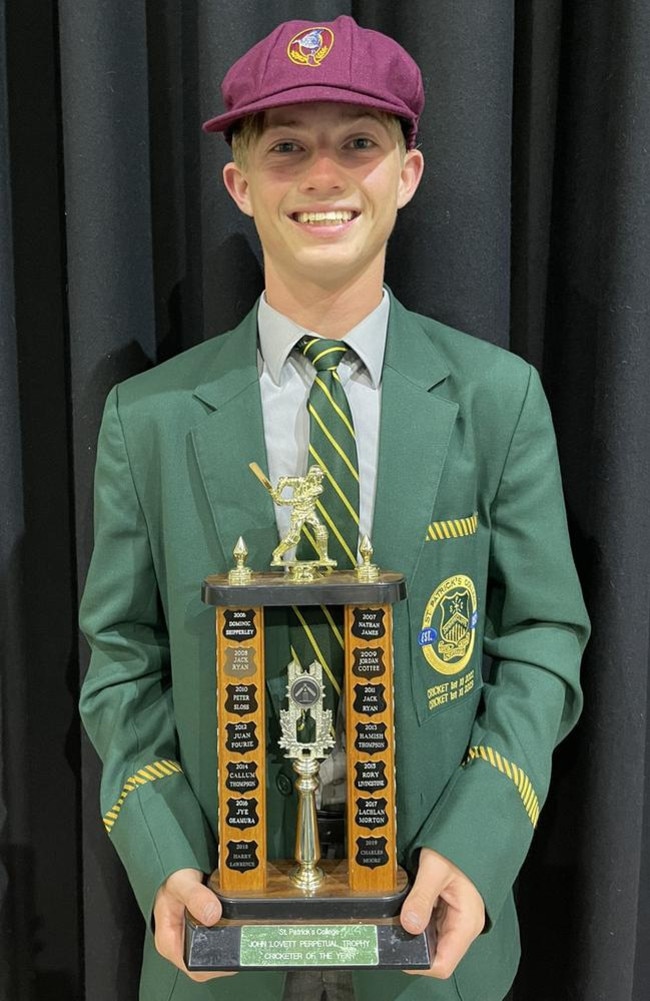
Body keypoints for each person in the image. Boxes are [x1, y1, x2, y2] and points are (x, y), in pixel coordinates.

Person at [79, 15, 589, 1001]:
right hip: (217, 941)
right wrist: (162, 852)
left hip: (426, 936)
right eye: (285, 147)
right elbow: (120, 653)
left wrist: (478, 842)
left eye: (358, 141)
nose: (323, 175)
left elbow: (540, 633)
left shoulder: (494, 398)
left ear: (405, 173)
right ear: (239, 183)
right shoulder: (146, 418)